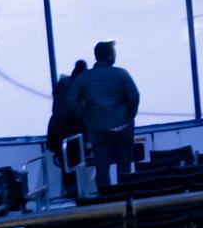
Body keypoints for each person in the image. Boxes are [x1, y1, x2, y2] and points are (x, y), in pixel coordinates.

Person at [72, 41, 140, 188]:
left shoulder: (84, 77)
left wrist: (85, 115)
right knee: (125, 168)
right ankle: (126, 201)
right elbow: (134, 96)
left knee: (102, 169)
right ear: (109, 56)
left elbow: (71, 100)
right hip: (123, 127)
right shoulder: (121, 74)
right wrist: (130, 115)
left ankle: (106, 201)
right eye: (114, 53)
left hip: (98, 129)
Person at [44, 59, 87, 174]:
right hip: (68, 131)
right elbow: (76, 113)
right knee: (72, 160)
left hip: (55, 132)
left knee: (66, 164)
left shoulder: (62, 87)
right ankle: (74, 188)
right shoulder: (74, 92)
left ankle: (71, 187)